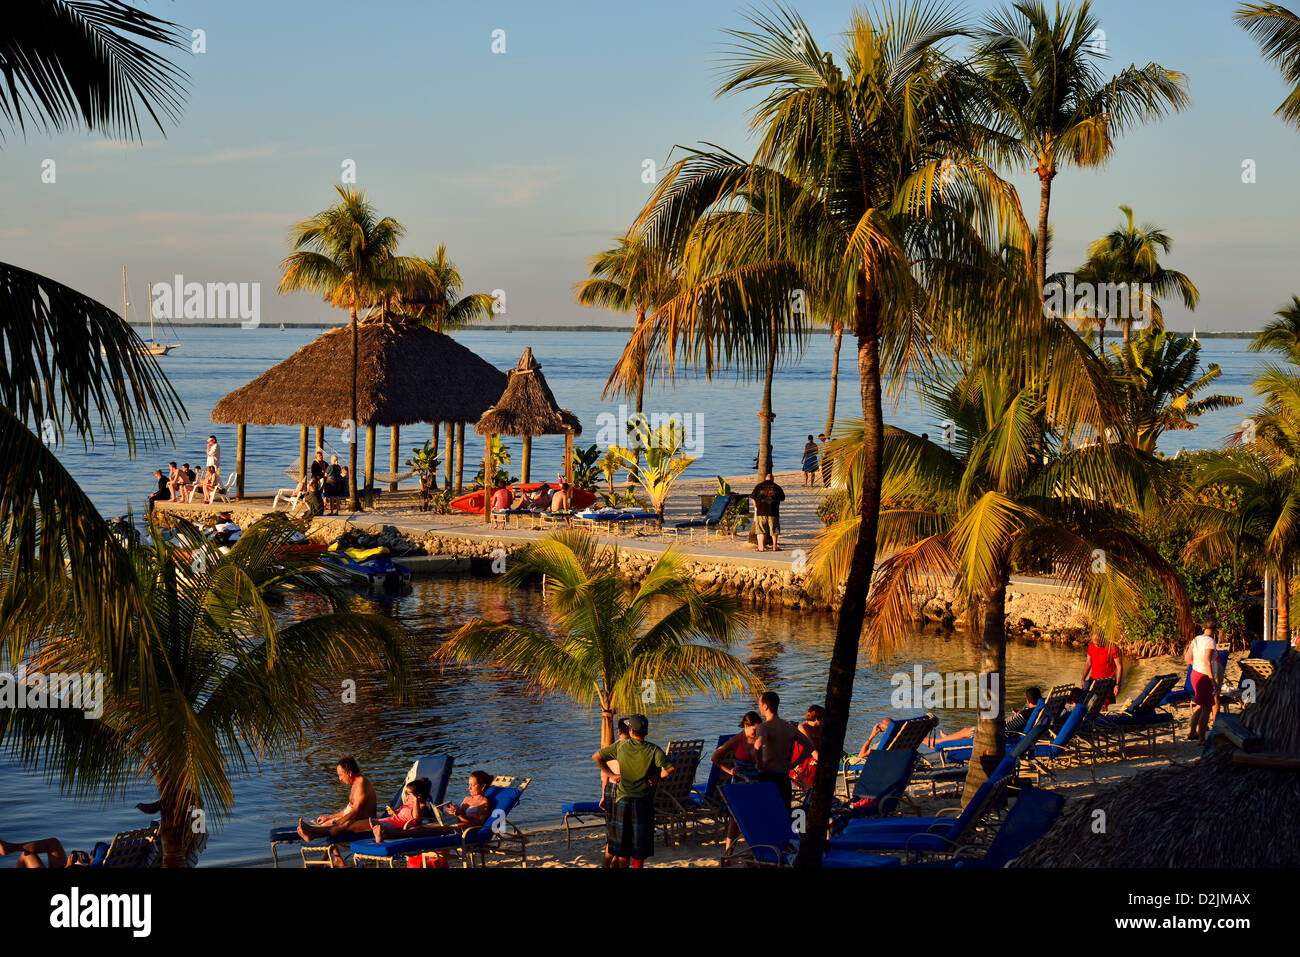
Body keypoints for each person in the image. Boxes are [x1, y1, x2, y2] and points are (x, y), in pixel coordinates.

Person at [593, 714, 674, 868]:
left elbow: (597, 757)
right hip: (643, 802)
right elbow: (670, 768)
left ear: (630, 731)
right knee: (639, 847)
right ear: (646, 731)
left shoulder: (621, 746)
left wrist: (612, 775)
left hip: (623, 800)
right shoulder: (653, 749)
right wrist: (658, 776)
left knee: (623, 847)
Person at [751, 691, 816, 809]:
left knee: (767, 812)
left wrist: (759, 765)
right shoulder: (788, 727)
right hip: (784, 776)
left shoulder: (764, 727)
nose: (759, 706)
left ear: (765, 706)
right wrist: (795, 763)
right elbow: (809, 747)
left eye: (759, 704)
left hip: (768, 776)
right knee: (784, 813)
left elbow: (757, 746)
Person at [712, 711, 761, 863]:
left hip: (757, 782)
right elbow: (715, 757)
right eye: (754, 729)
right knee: (735, 820)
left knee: (756, 818)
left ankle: (757, 850)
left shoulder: (761, 739)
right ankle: (728, 853)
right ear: (746, 726)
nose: (756, 732)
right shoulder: (737, 740)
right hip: (739, 784)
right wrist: (730, 771)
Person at [296, 757, 377, 847]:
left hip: (368, 823)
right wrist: (329, 818)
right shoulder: (355, 784)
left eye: (341, 775)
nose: (340, 779)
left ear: (349, 773)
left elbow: (355, 811)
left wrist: (336, 822)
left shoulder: (362, 784)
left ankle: (312, 831)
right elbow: (348, 810)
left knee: (344, 824)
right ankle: (337, 858)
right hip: (356, 820)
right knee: (327, 823)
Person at [926, 687, 1042, 747]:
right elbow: (1019, 722)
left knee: (966, 731)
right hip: (1010, 733)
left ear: (1027, 700)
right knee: (966, 730)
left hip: (998, 735)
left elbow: (1006, 727)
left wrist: (995, 722)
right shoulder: (1036, 711)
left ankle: (937, 743)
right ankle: (946, 738)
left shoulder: (1026, 714)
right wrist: (1018, 715)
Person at [598, 718, 631, 868]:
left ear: (618, 731)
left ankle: (611, 864)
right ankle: (611, 863)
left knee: (614, 831)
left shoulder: (611, 748)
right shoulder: (633, 748)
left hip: (611, 788)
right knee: (623, 833)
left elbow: (604, 774)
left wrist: (603, 794)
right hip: (626, 790)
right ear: (632, 730)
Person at [368, 778, 433, 843]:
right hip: (394, 820)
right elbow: (399, 814)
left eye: (409, 794)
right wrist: (393, 812)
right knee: (378, 822)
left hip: (401, 824)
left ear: (418, 796)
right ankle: (377, 829)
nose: (407, 797)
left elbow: (416, 818)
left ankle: (379, 836)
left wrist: (416, 800)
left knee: (380, 825)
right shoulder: (408, 803)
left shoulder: (421, 806)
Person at [1185, 621, 1218, 744]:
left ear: (1204, 628)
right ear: (1214, 629)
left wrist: (1196, 665)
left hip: (1194, 674)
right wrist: (1212, 679)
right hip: (1204, 676)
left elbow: (1187, 658)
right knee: (1207, 707)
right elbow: (1207, 661)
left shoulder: (1196, 639)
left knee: (1199, 704)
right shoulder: (1210, 641)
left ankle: (1192, 732)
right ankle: (1202, 738)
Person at [1079, 631, 1123, 711]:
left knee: (1103, 706)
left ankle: (1102, 721)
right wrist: (1083, 679)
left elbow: (1119, 667)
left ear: (1103, 639)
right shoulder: (1091, 646)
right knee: (1087, 703)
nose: (1096, 644)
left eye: (1097, 641)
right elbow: (1088, 663)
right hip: (1093, 680)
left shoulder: (1112, 647)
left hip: (1107, 681)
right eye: (1094, 641)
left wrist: (1117, 684)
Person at [749, 472, 786, 552]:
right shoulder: (777, 487)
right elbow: (782, 498)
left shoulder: (758, 486)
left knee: (761, 530)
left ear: (765, 478)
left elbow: (752, 497)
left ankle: (761, 547)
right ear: (772, 479)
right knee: (774, 530)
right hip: (773, 511)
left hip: (761, 511)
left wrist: (755, 506)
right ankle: (775, 546)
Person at [790, 704, 824, 790]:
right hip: (802, 761)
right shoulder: (802, 727)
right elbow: (812, 750)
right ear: (817, 718)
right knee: (816, 764)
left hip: (815, 757)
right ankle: (814, 789)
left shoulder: (821, 728)